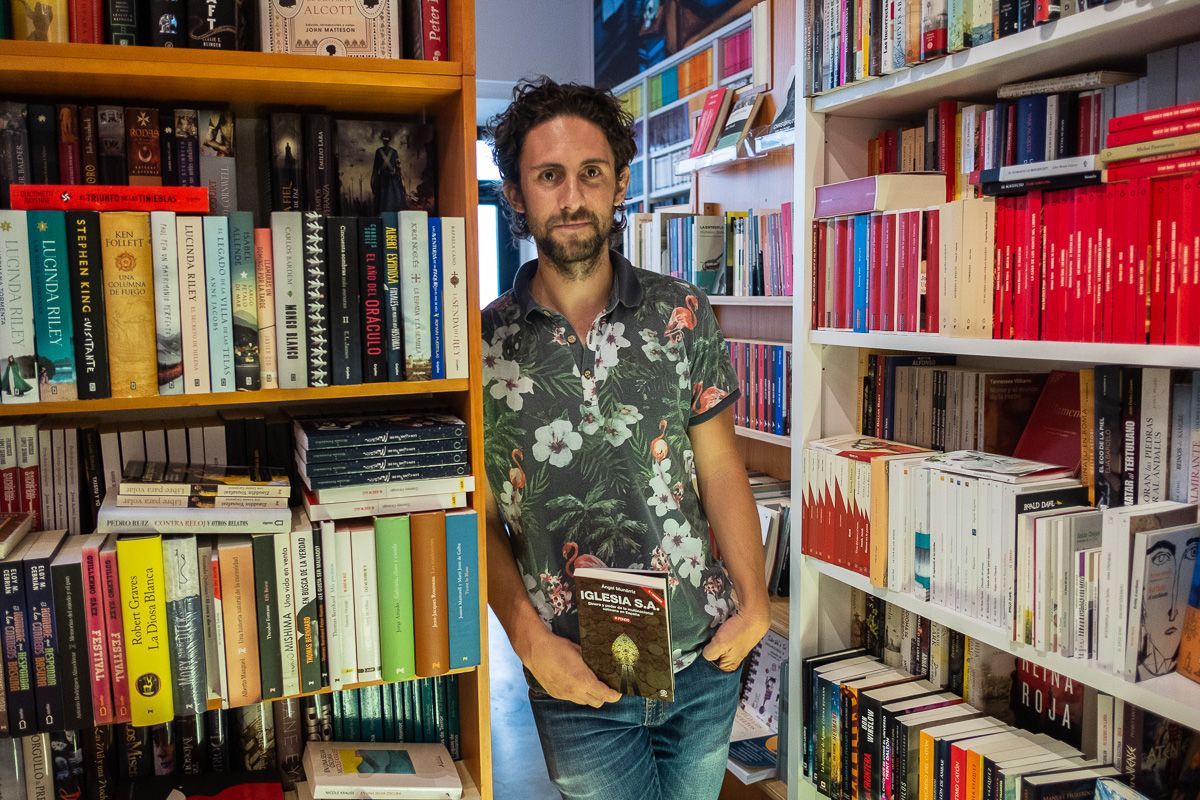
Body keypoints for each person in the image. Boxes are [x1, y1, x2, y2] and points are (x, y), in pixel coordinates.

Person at [481, 76, 770, 800]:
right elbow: (478, 521)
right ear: (515, 194)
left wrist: (756, 601)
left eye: (591, 172)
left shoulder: (682, 313)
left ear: (620, 184)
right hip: (575, 673)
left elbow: (721, 469)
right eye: (548, 176)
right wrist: (529, 643)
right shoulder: (480, 348)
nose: (572, 197)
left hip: (701, 658)